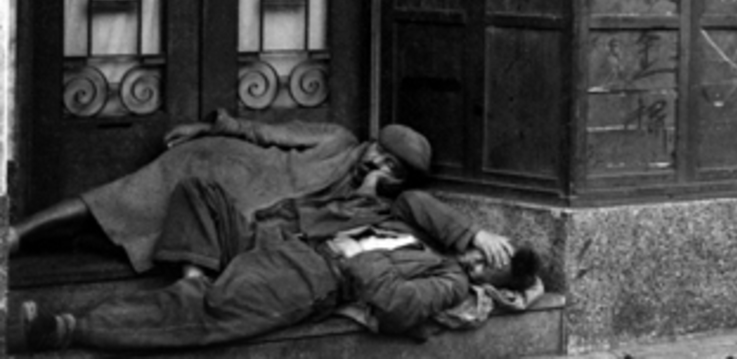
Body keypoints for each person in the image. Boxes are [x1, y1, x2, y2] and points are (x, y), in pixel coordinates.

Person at [22, 174, 542, 352]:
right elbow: (411, 199)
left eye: (485, 268)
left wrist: (357, 258)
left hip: (310, 276)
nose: (475, 262)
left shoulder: (448, 280)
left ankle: (70, 328)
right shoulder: (415, 229)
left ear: (488, 283)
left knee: (212, 311)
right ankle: (197, 277)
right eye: (482, 253)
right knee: (199, 192)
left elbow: (397, 306)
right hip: (275, 240)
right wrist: (472, 231)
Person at [8, 109, 433, 274]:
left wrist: (368, 188)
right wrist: (209, 128)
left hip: (245, 213)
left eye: (391, 168)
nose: (377, 163)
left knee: (154, 233)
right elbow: (266, 132)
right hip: (233, 165)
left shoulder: (375, 203)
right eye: (380, 153)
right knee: (125, 196)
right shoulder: (338, 139)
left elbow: (335, 228)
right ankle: (16, 234)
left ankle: (69, 239)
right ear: (372, 143)